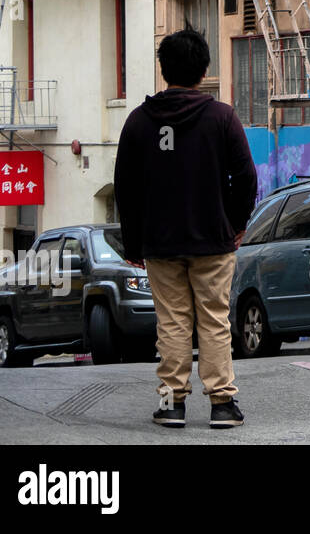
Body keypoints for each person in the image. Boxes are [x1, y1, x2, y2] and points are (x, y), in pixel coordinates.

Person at [114, 28, 257, 428]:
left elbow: (125, 186)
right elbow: (245, 176)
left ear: (163, 70)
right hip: (214, 239)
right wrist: (237, 223)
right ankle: (223, 405)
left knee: (172, 323)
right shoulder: (222, 117)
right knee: (214, 319)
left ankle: (170, 404)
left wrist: (133, 241)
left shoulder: (139, 122)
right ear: (204, 69)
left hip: (159, 243)